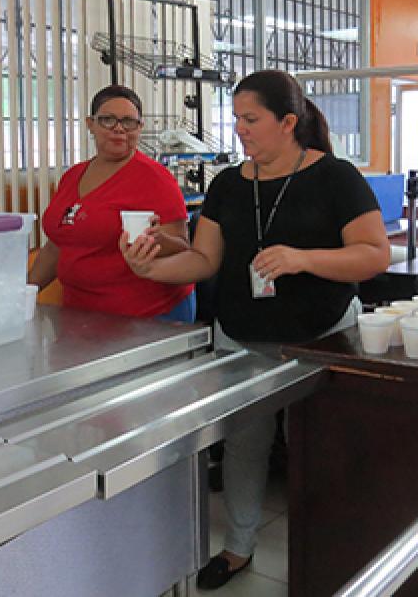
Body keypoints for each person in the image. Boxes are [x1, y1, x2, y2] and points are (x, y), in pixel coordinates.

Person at [122, 70, 390, 589]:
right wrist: (148, 268)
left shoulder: (335, 177)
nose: (240, 129)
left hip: (319, 335)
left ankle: (329, 549)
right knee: (244, 445)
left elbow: (373, 254)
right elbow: (204, 260)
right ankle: (239, 546)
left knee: (318, 445)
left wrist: (302, 258)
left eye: (251, 119)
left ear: (288, 122)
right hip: (242, 337)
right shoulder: (228, 185)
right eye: (237, 118)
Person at [28, 85, 195, 322]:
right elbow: (57, 246)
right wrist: (24, 292)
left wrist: (157, 241)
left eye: (129, 122)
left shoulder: (155, 179)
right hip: (79, 314)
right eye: (108, 120)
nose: (118, 128)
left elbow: (181, 247)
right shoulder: (72, 176)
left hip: (143, 316)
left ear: (140, 128)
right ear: (90, 124)